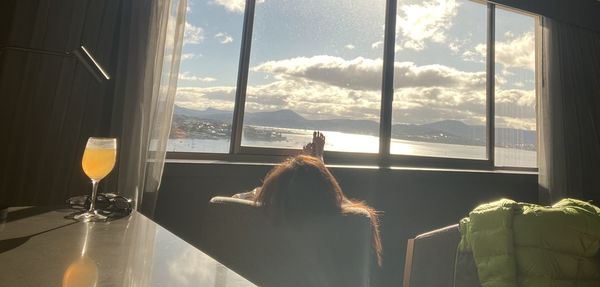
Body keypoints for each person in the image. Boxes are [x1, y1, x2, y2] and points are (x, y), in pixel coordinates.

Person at [233, 131, 382, 265]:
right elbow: (343, 203)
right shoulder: (359, 222)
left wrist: (258, 193)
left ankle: (317, 164)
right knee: (342, 203)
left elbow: (235, 199)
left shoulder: (249, 214)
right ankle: (318, 164)